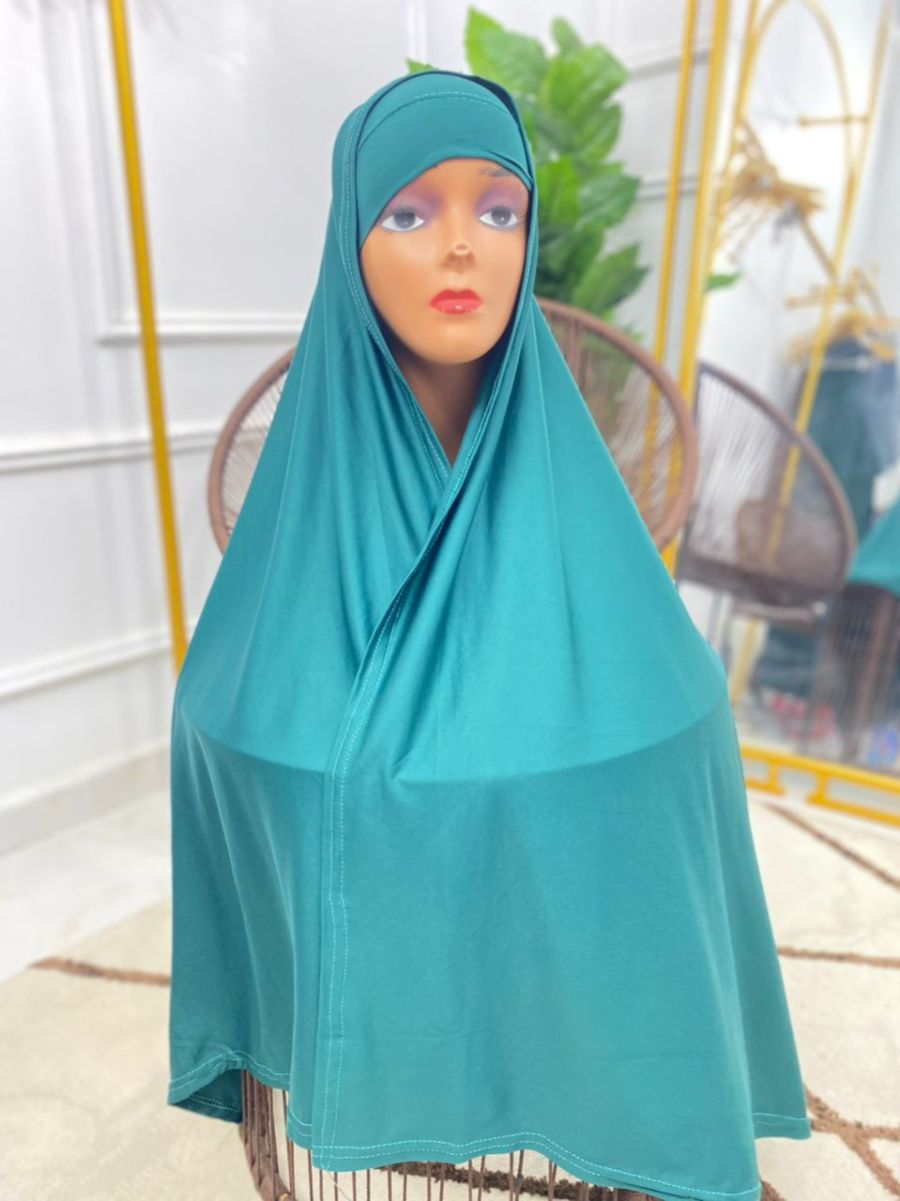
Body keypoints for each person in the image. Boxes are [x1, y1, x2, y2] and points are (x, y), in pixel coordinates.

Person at [167, 69, 811, 1201]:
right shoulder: (313, 491)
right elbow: (232, 713)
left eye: (499, 209)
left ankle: (596, 1097)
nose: (463, 245)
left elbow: (669, 714)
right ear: (349, 242)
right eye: (410, 212)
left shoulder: (564, 483)